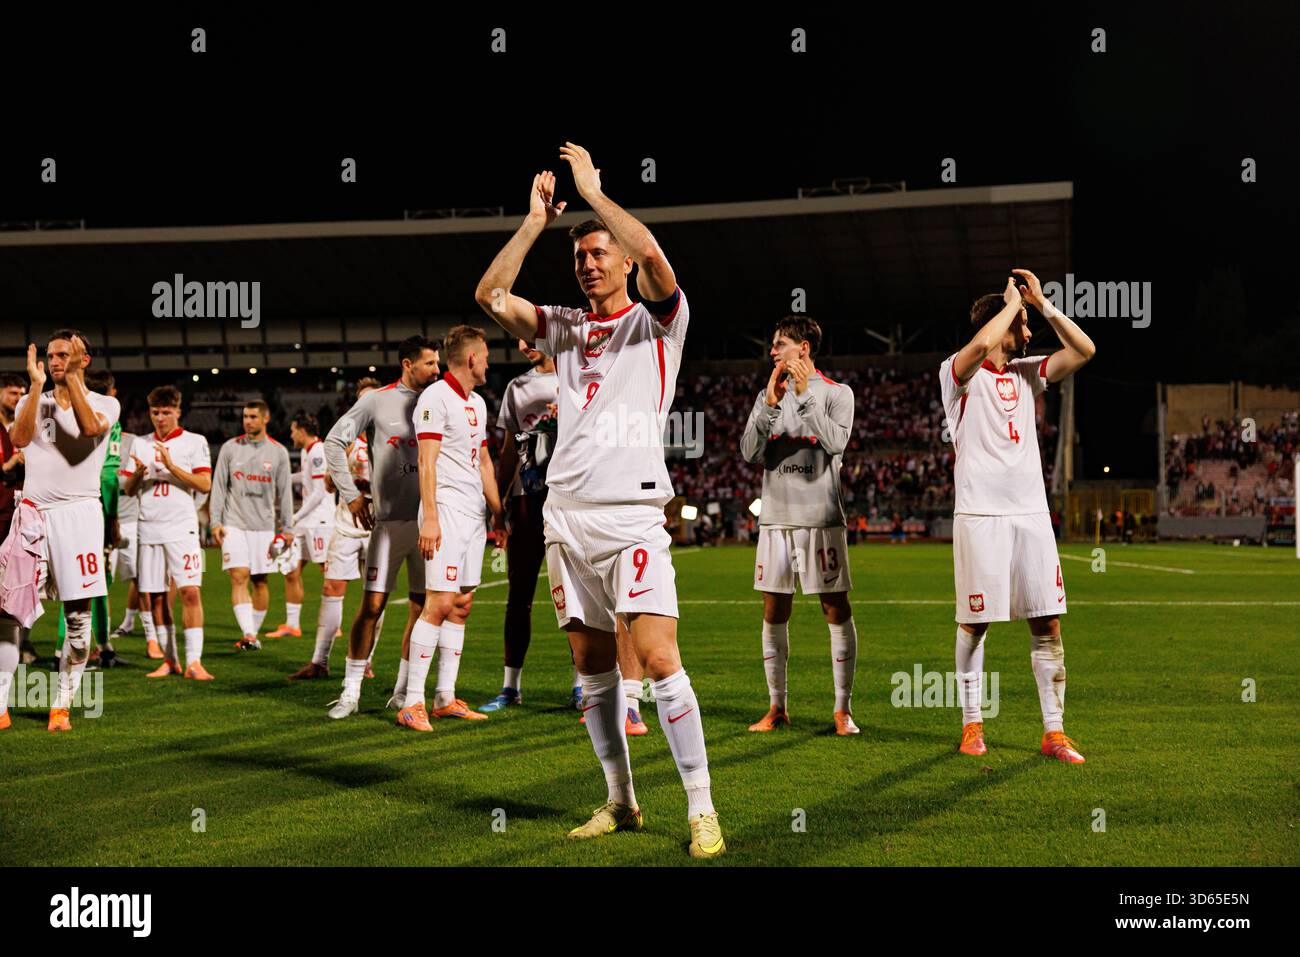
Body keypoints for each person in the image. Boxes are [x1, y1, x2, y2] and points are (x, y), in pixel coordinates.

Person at [474, 145, 723, 857]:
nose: (586, 262)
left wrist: (591, 191)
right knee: (592, 670)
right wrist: (532, 222)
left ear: (623, 263)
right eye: (579, 254)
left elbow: (653, 252)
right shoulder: (564, 327)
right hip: (566, 520)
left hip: (633, 514)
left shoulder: (658, 324)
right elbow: (490, 297)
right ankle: (621, 800)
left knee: (658, 653)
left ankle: (702, 808)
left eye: (598, 252)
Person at [939, 268, 1096, 763]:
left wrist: (1044, 306)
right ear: (1001, 324)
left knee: (1047, 624)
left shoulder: (1028, 375)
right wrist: (1010, 304)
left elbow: (1085, 350)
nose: (1029, 333)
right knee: (976, 622)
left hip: (1030, 515)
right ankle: (971, 723)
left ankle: (1055, 731)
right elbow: (981, 345)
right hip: (980, 515)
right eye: (1023, 324)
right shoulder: (955, 373)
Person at [740, 315, 859, 735]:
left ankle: (842, 710)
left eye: (780, 344)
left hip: (820, 519)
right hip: (775, 520)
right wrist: (767, 405)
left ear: (803, 348)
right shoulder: (768, 395)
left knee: (834, 609)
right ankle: (776, 707)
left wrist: (805, 396)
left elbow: (836, 443)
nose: (772, 352)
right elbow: (750, 452)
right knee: (774, 611)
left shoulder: (836, 394)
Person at [2, 332, 119, 731]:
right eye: (50, 355)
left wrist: (71, 383)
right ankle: (0, 706)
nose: (54, 361)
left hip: (81, 517)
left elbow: (88, 430)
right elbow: (17, 440)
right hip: (33, 516)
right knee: (10, 613)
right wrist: (36, 388)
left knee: (79, 624)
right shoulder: (32, 400)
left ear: (83, 359)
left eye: (63, 354)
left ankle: (61, 706)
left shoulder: (107, 404)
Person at [323, 336, 440, 719]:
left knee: (423, 608)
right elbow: (333, 441)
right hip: (388, 524)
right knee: (372, 605)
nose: (436, 370)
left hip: (429, 524)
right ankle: (350, 691)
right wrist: (351, 496)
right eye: (429, 364)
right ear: (408, 364)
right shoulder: (376, 400)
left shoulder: (439, 400)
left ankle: (405, 692)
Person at [396, 326, 505, 729]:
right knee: (438, 604)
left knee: (461, 606)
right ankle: (412, 702)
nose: (489, 363)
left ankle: (444, 696)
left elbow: (483, 462)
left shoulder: (477, 402)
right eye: (486, 356)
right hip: (445, 512)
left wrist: (497, 513)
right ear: (472, 358)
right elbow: (426, 461)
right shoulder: (434, 398)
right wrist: (430, 517)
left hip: (475, 515)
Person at [477, 339, 592, 715]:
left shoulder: (583, 376)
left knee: (577, 595)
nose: (523, 344)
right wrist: (498, 508)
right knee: (519, 595)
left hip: (572, 498)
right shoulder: (518, 387)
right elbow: (510, 449)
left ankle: (581, 685)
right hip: (528, 498)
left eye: (530, 337)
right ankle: (511, 687)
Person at [289, 379, 386, 680]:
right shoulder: (347, 440)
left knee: (375, 598)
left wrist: (368, 486)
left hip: (380, 528)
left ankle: (365, 660)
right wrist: (341, 476)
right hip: (345, 524)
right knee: (331, 588)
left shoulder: (394, 440)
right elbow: (329, 484)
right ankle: (320, 662)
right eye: (360, 401)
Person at [123, 385, 214, 680]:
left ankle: (194, 661)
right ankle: (169, 659)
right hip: (149, 528)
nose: (160, 418)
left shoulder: (194, 442)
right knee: (158, 597)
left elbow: (204, 484)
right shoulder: (140, 443)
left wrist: (171, 466)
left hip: (181, 527)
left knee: (189, 591)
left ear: (178, 411)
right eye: (155, 412)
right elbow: (128, 489)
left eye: (166, 412)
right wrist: (138, 473)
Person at [208, 401, 294, 651]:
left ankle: (252, 635)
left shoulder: (278, 452)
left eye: (253, 417)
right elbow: (219, 487)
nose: (248, 421)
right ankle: (247, 632)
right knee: (238, 576)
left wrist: (287, 527)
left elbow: (285, 493)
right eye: (245, 416)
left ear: (265, 419)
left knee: (259, 580)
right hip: (234, 524)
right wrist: (216, 521)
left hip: (263, 526)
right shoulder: (229, 448)